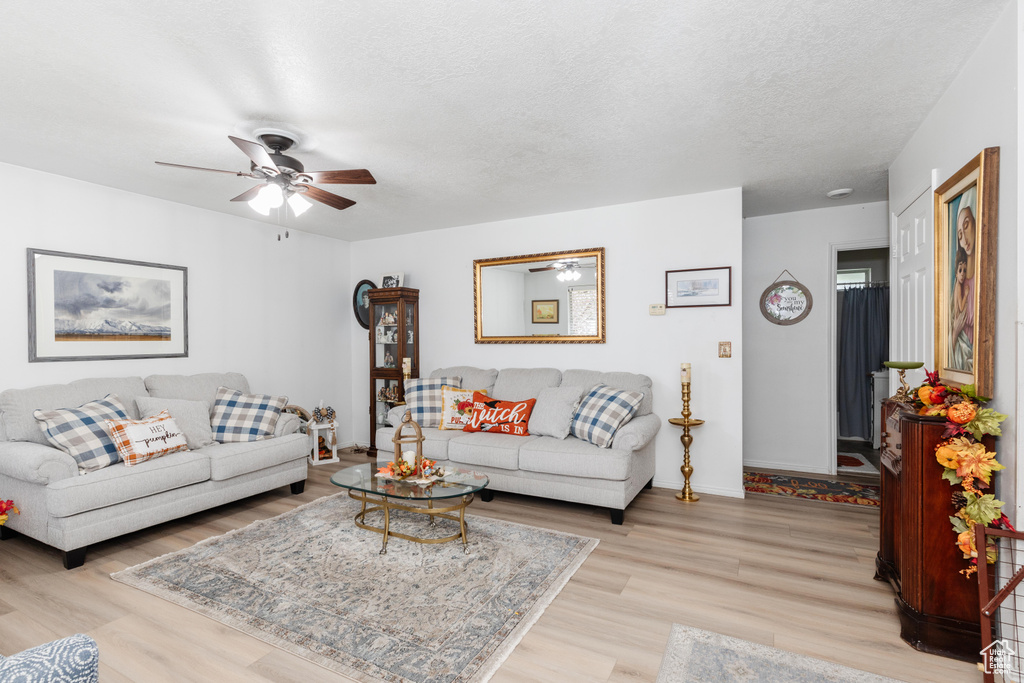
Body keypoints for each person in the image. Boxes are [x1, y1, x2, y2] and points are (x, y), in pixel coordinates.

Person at [949, 247, 973, 370]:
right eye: (960, 270)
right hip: (959, 328)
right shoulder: (958, 287)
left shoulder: (957, 285)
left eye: (964, 270)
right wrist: (967, 294)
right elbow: (961, 306)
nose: (962, 274)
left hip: (959, 327)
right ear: (956, 272)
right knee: (964, 353)